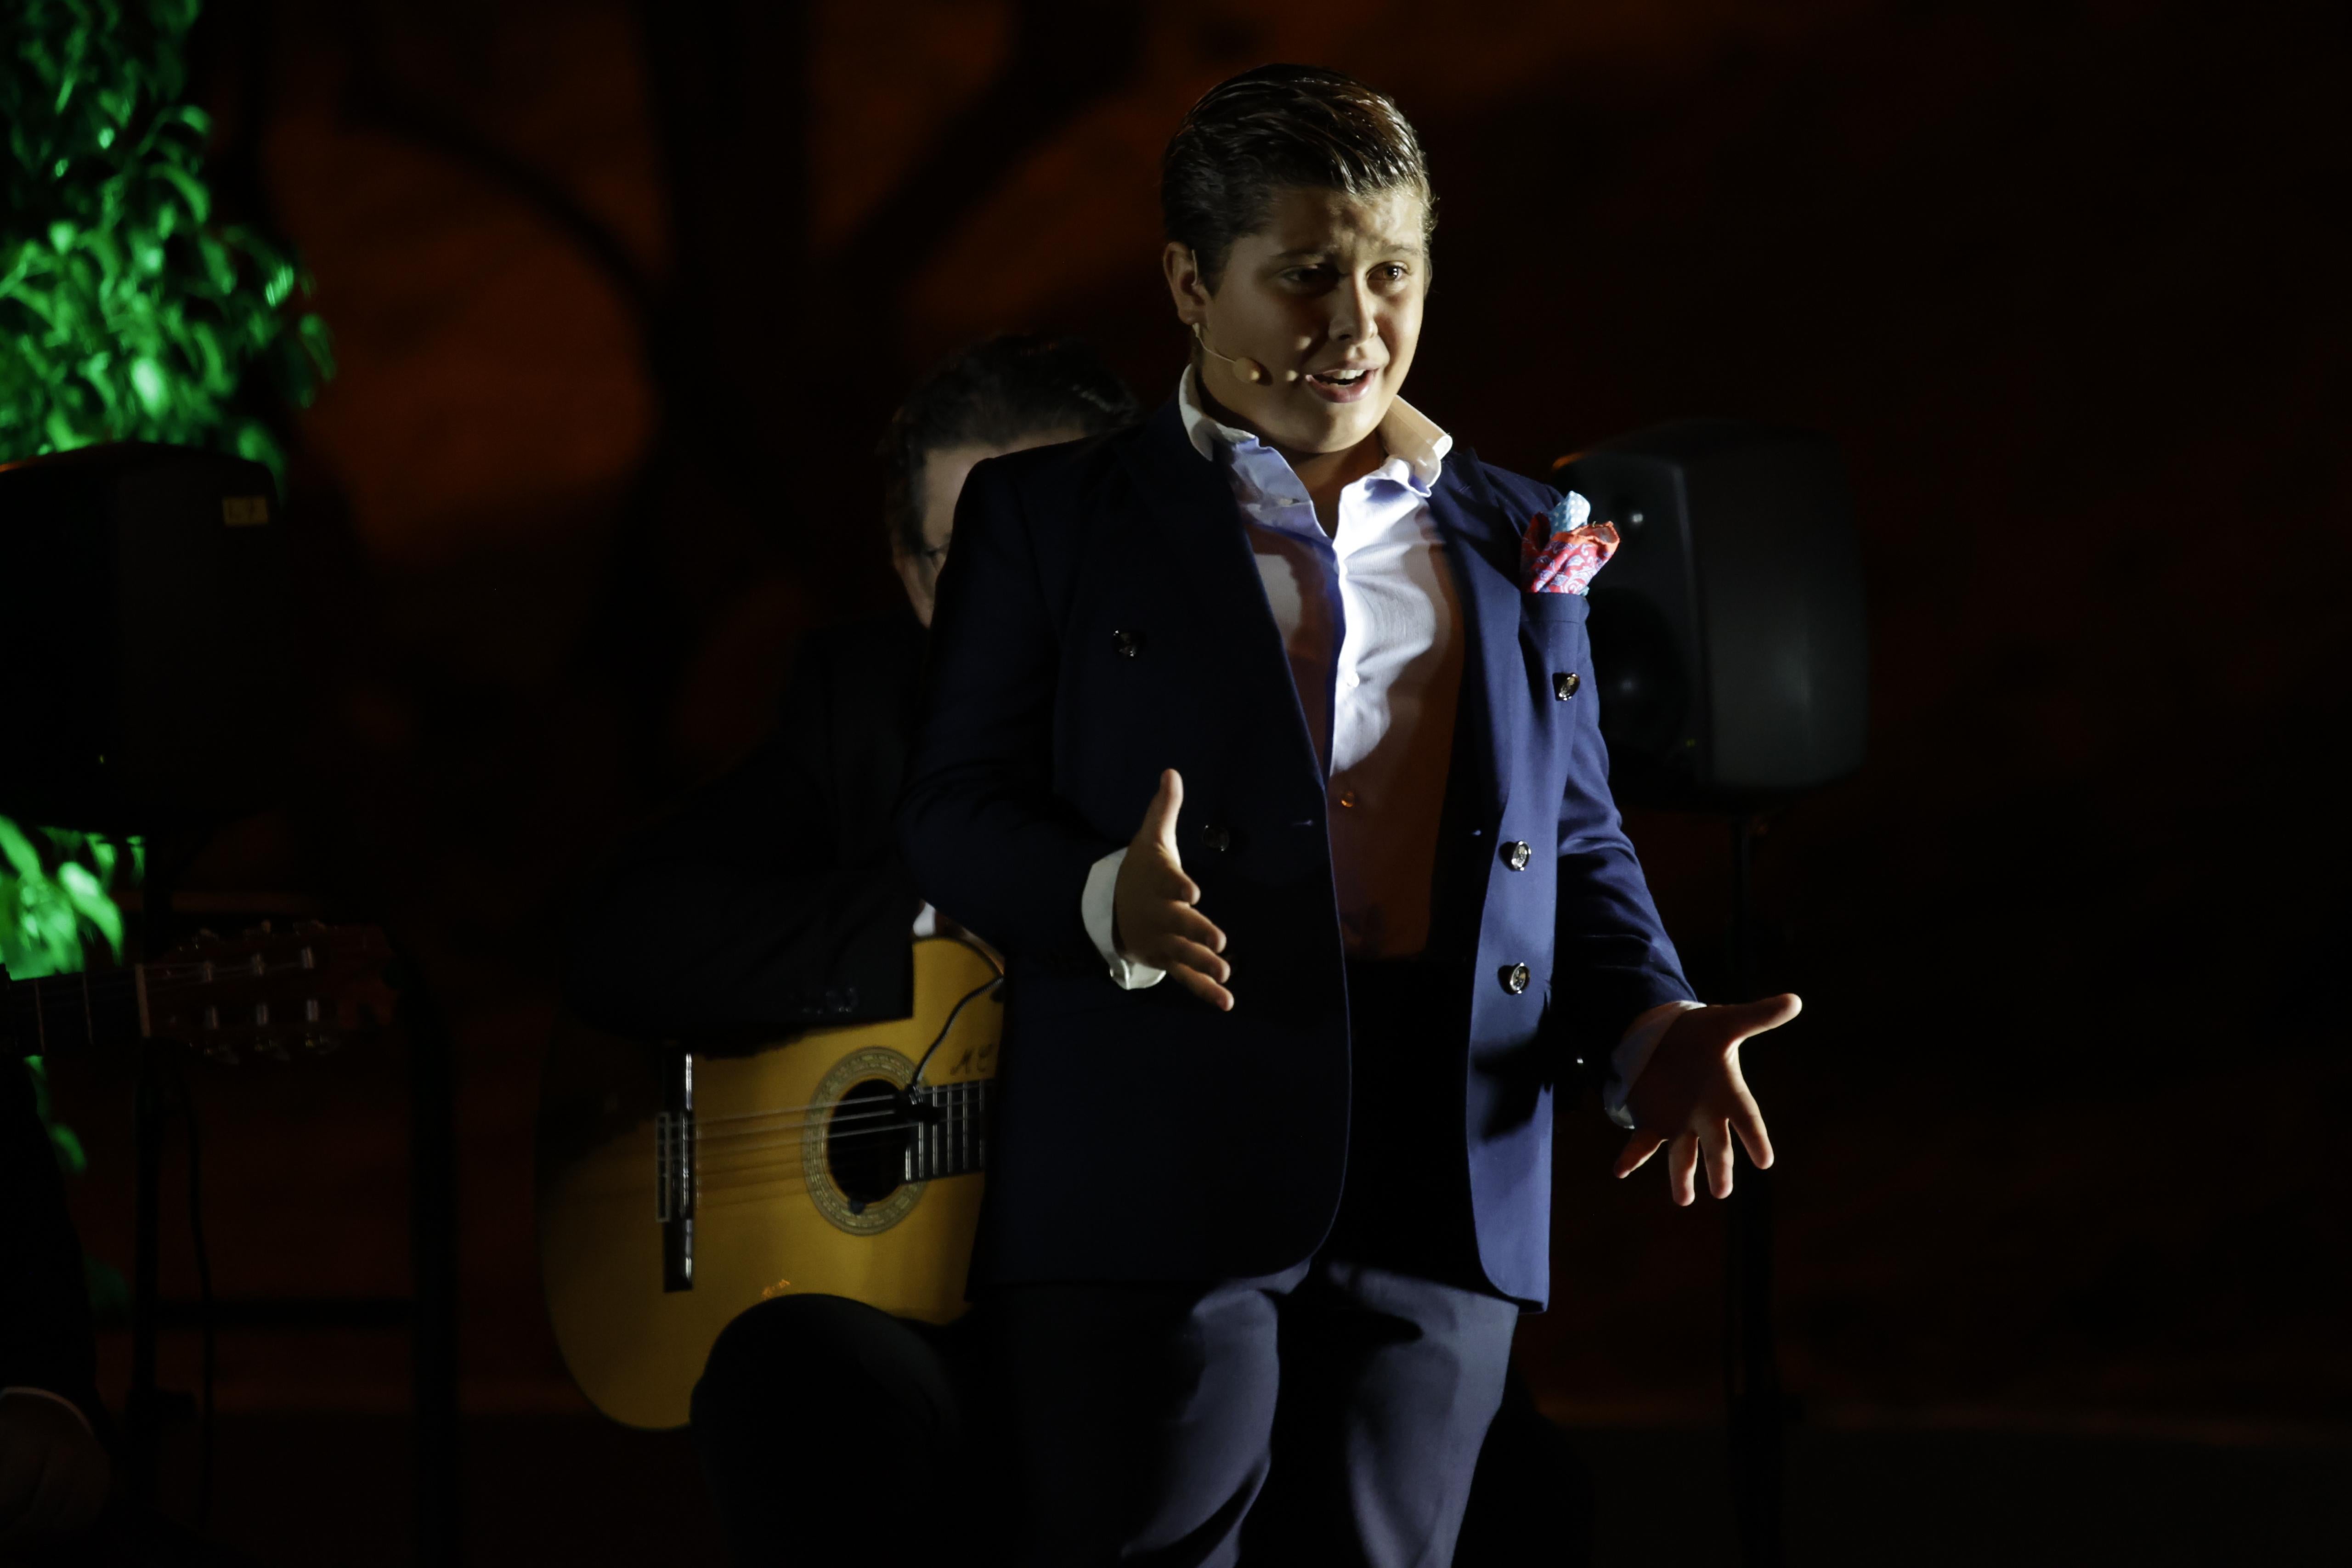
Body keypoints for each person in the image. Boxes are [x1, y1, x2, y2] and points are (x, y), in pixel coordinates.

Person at [897, 66, 1800, 1566]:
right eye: (1304, 275)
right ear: (1193, 282)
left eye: (1393, 274)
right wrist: (1096, 903)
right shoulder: (1052, 520)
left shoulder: (1522, 532)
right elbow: (950, 809)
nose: (1357, 323)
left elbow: (1573, 831)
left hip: (1445, 1152)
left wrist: (1649, 1022)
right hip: (1158, 1146)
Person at [563, 334, 1140, 1568]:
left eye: (1059, 542)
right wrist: (922, 919)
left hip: (1153, 1313)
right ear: (913, 576)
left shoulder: (1268, 706)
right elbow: (618, 936)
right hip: (918, 1327)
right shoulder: (867, 704)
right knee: (790, 1379)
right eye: (977, 559)